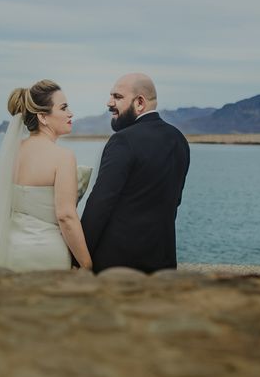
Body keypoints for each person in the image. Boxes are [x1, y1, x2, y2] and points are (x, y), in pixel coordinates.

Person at [0, 80, 93, 271]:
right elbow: (66, 216)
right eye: (63, 108)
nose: (70, 113)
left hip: (9, 251)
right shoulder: (63, 157)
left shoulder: (12, 153)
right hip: (47, 254)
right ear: (43, 117)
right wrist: (86, 264)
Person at [81, 73, 190, 274]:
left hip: (116, 265)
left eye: (117, 97)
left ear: (140, 102)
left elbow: (100, 203)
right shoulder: (179, 140)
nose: (109, 102)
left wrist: (78, 257)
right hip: (162, 262)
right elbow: (174, 202)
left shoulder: (122, 141)